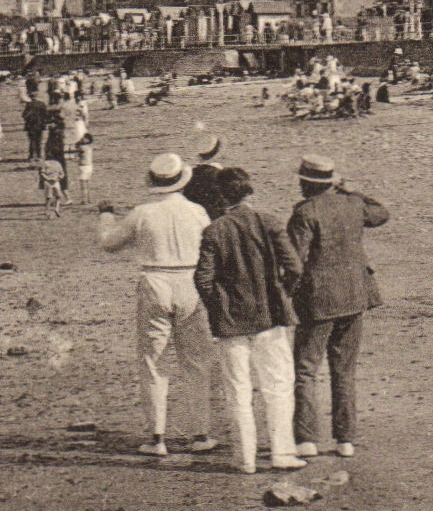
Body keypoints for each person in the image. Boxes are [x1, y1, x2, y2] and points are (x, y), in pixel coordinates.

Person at [97, 154, 221, 458]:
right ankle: (200, 433)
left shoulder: (143, 213)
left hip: (155, 280)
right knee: (197, 360)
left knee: (153, 360)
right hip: (191, 280)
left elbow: (109, 243)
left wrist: (106, 216)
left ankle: (156, 437)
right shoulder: (197, 212)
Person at [194, 168, 309, 474]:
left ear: (221, 196)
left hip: (232, 323)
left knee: (238, 390)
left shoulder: (215, 230)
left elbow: (203, 280)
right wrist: (282, 293)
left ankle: (245, 458)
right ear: (249, 191)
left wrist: (220, 308)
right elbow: (295, 267)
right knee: (278, 386)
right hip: (269, 316)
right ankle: (282, 453)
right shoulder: (269, 222)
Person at [288, 155, 390, 459]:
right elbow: (381, 213)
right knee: (343, 369)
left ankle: (306, 438)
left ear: (307, 183)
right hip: (356, 295)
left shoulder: (304, 212)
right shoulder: (354, 205)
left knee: (305, 369)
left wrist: (286, 294)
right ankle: (345, 439)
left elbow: (294, 260)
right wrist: (349, 191)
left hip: (318, 300)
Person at [21, 96, 47, 163]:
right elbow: (46, 115)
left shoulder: (29, 105)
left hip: (31, 125)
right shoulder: (42, 104)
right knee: (39, 141)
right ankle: (39, 156)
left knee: (32, 141)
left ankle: (32, 156)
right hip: (40, 125)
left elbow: (24, 115)